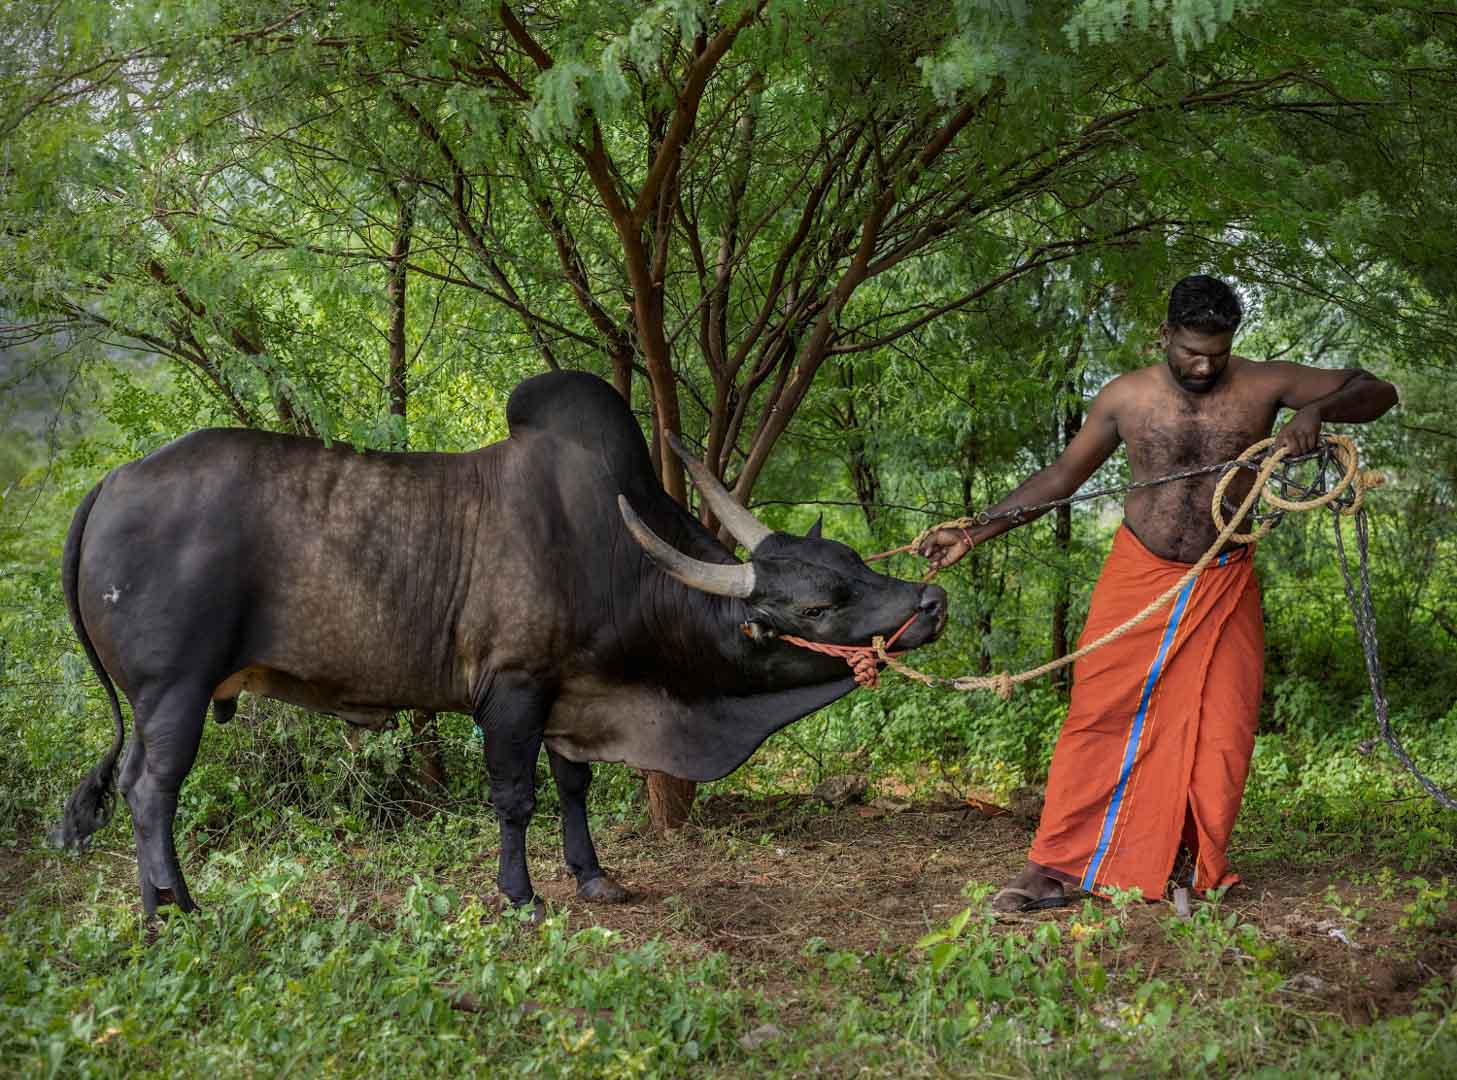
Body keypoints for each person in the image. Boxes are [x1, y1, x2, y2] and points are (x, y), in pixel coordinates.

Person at [920, 275, 1398, 912]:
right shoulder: (1126, 396)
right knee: (1099, 714)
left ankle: (1185, 866)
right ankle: (1055, 865)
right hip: (1140, 571)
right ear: (1165, 333)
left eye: (1217, 353)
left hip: (1223, 576)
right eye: (1191, 351)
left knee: (1221, 727)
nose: (1204, 365)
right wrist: (975, 532)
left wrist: (1316, 412)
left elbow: (1377, 389)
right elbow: (1064, 475)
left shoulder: (1264, 383)